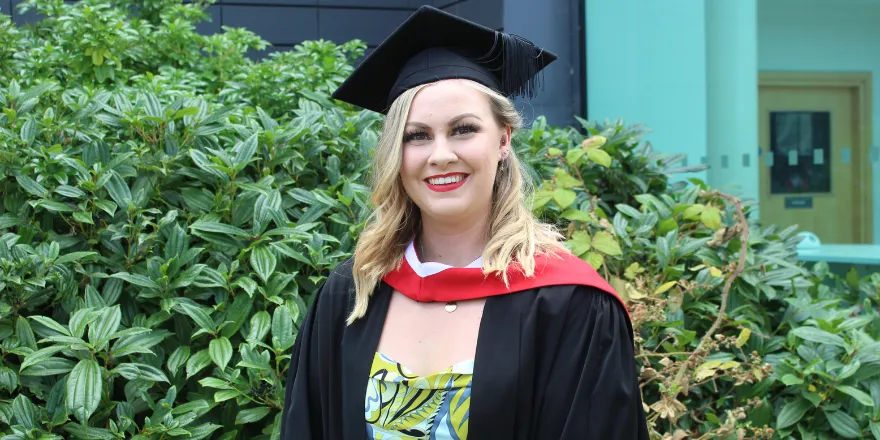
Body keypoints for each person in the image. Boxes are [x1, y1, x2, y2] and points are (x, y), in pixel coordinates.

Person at [280, 5, 649, 439]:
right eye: (416, 136)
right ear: (396, 156)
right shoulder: (351, 295)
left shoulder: (569, 304)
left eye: (463, 129)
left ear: (503, 140)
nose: (440, 155)